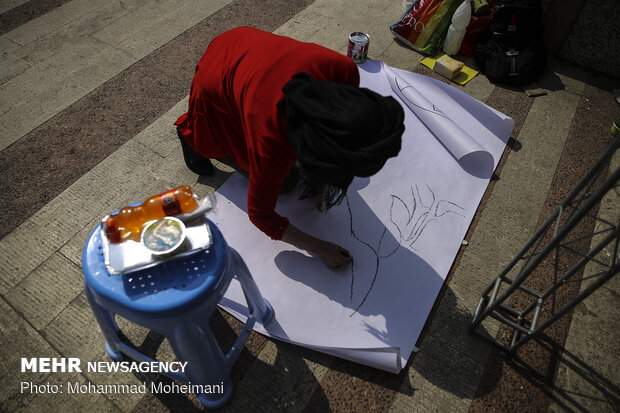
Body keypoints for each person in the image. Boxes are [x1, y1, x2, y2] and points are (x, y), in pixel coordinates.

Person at [175, 26, 404, 268]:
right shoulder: (273, 139)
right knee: (285, 184)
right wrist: (318, 246)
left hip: (245, 46)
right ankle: (190, 135)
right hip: (215, 83)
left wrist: (327, 180)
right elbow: (261, 215)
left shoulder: (344, 71)